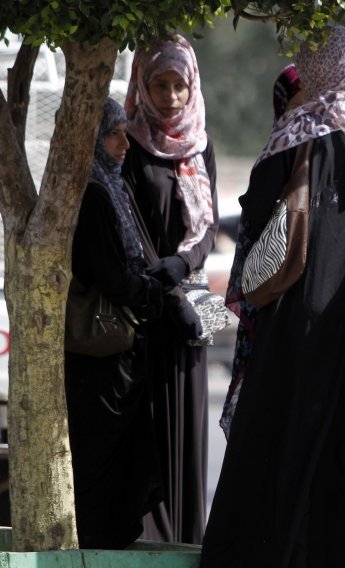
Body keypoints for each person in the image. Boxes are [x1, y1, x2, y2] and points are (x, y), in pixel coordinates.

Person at [200, 26, 345, 567]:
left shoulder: (300, 134)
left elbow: (256, 213)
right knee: (341, 462)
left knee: (276, 453)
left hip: (294, 333)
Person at [122, 34, 219, 544]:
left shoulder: (200, 142)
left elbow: (209, 223)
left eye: (179, 84)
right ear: (142, 82)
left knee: (188, 430)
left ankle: (186, 540)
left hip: (187, 314)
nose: (171, 97)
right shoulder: (131, 143)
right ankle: (151, 543)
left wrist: (186, 264)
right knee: (151, 433)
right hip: (147, 311)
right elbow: (130, 225)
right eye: (159, 84)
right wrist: (167, 284)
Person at [65, 97, 164, 549]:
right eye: (113, 134)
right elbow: (111, 276)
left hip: (112, 357)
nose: (125, 143)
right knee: (100, 466)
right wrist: (153, 291)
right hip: (101, 361)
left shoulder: (107, 185)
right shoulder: (92, 193)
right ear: (90, 138)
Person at [220, 63, 303, 438]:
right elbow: (255, 210)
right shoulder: (284, 145)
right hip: (274, 292)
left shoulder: (317, 146)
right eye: (304, 97)